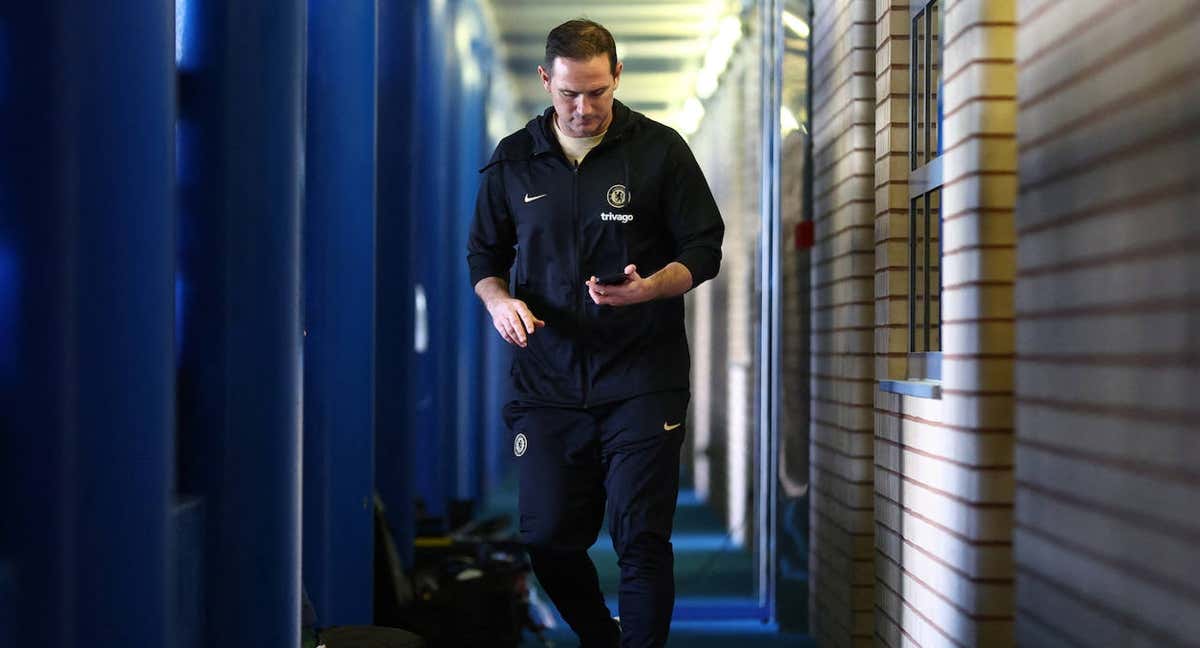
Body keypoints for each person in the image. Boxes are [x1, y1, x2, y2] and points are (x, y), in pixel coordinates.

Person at [466, 18, 724, 648]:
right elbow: (483, 260)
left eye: (597, 93)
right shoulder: (513, 161)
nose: (583, 109)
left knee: (640, 537)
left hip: (643, 377)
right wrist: (499, 302)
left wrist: (650, 287)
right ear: (545, 80)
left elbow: (705, 247)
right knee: (547, 538)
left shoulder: (660, 151)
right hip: (547, 381)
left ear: (618, 78)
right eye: (569, 94)